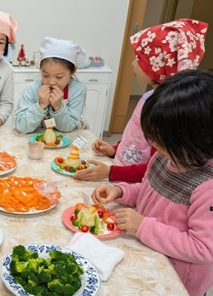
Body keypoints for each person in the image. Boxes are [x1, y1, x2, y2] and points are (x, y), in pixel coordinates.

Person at [92, 69, 213, 296]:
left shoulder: (207, 186)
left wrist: (142, 226)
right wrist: (122, 192)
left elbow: (204, 249)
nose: (153, 146)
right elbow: (149, 190)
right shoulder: (165, 157)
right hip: (147, 258)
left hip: (177, 287)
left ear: (198, 138)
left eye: (162, 139)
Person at [75, 19, 208, 182]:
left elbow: (155, 167)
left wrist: (111, 172)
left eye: (138, 58)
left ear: (157, 66)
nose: (132, 64)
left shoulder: (164, 114)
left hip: (137, 184)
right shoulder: (148, 98)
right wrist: (114, 150)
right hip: (122, 177)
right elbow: (137, 141)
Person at [14, 36, 88, 134]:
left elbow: (68, 127)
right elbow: (21, 127)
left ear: (73, 71)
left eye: (59, 77)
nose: (51, 82)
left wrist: (58, 107)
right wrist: (41, 105)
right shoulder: (31, 89)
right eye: (45, 75)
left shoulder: (78, 90)